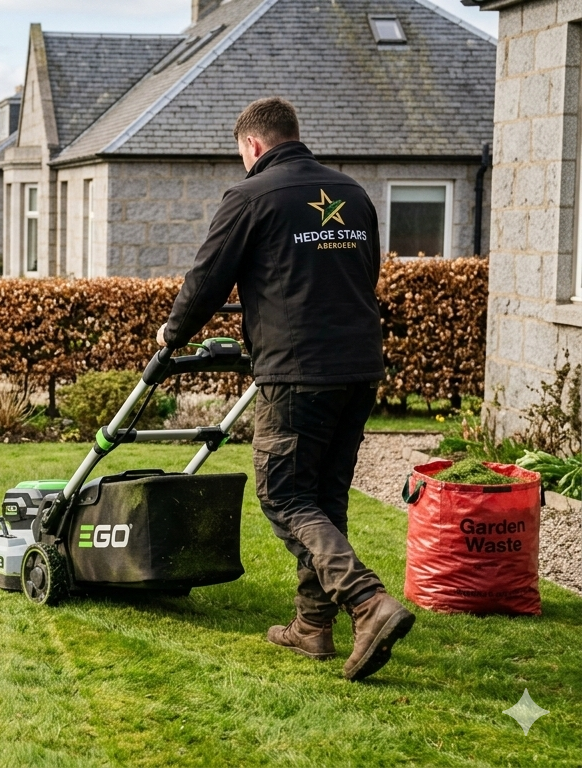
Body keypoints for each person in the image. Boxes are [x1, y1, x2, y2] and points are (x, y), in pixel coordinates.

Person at [156, 97, 414, 682]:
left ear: (252, 146)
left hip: (297, 369)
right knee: (324, 496)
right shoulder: (351, 192)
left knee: (283, 494)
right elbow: (365, 273)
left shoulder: (250, 197)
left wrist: (173, 333)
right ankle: (312, 626)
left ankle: (368, 603)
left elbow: (205, 280)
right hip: (359, 365)